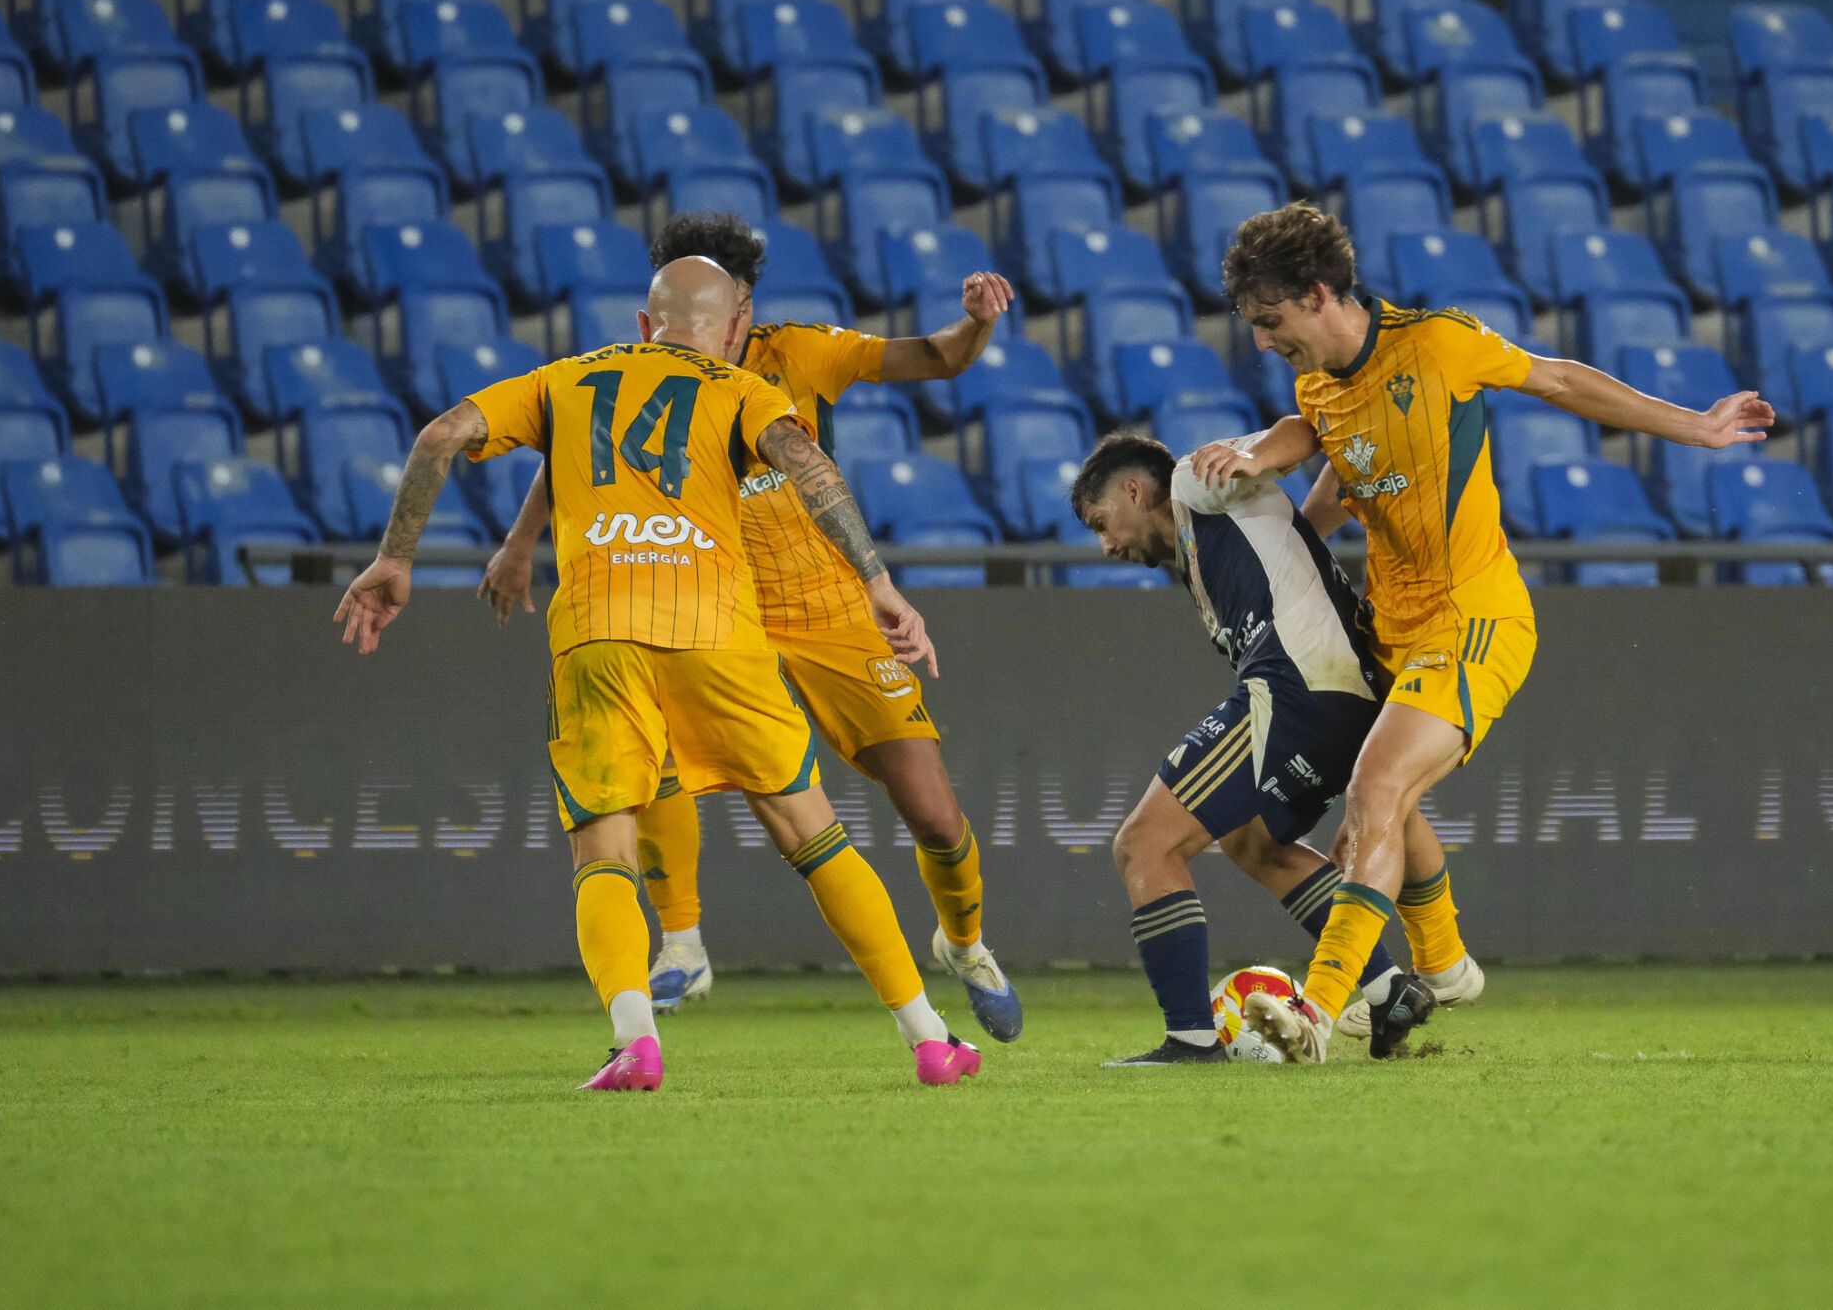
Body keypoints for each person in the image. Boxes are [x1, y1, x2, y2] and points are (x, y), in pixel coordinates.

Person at [335, 256, 983, 1090]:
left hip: (597, 634)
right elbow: (807, 463)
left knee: (604, 849)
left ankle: (636, 1041)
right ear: (733, 330)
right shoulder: (739, 387)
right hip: (715, 632)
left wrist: (395, 559)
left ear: (646, 325)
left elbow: (440, 436)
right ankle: (929, 1037)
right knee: (815, 837)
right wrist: (879, 582)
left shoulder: (564, 380)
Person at [1193, 202, 1771, 1063]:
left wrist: (1695, 425)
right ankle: (1446, 963)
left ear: (1320, 295)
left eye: (1274, 323)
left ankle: (1314, 1010)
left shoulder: (1436, 344)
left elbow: (1561, 379)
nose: (1269, 343)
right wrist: (1271, 490)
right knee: (1377, 801)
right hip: (1389, 631)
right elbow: (1320, 453)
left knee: (1377, 791)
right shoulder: (1317, 386)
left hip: (1475, 617)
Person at [478, 213, 1023, 1043]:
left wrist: (978, 323)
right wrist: (522, 542)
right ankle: (684, 942)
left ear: (742, 310)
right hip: (711, 610)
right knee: (649, 763)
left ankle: (965, 941)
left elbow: (937, 357)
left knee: (935, 815)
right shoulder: (636, 370)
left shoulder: (799, 354)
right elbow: (580, 452)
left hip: (829, 610)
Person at [1069, 431, 1485, 1064]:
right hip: (1338, 696)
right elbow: (1304, 520)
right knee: (1253, 840)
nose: (1105, 546)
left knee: (1145, 843)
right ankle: (1385, 988)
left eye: (1102, 522)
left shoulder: (1190, 482)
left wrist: (1264, 454)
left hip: (1300, 689)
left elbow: (1307, 426)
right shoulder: (1209, 544)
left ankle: (1191, 1040)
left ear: (1134, 489)